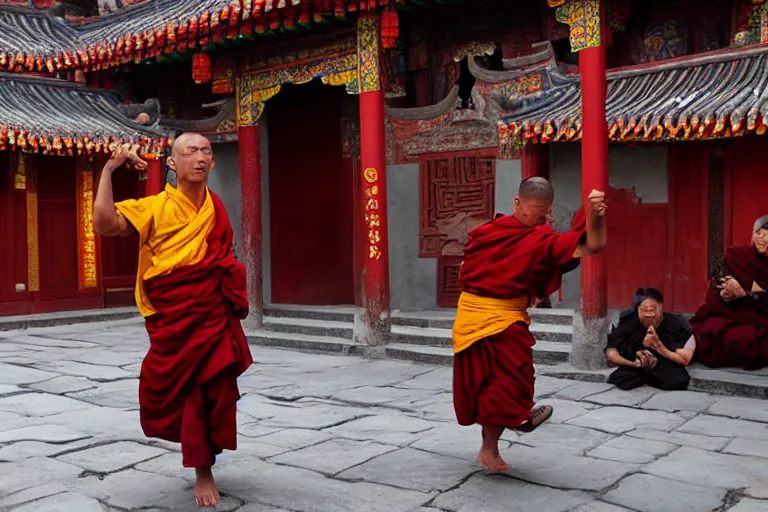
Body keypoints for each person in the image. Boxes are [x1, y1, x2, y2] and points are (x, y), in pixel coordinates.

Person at [93, 133, 253, 508]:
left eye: (205, 152)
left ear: (213, 162)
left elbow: (222, 256)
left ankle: (205, 464)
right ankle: (201, 467)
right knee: (185, 389)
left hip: (210, 310)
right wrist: (108, 169)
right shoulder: (154, 207)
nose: (199, 158)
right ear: (171, 163)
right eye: (189, 152)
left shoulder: (216, 208)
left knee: (213, 388)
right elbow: (104, 224)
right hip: (174, 313)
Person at [452, 177, 607, 473]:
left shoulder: (541, 240)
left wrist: (597, 214)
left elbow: (594, 244)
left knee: (511, 382)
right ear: (516, 203)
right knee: (486, 384)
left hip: (507, 318)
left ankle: (496, 439)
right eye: (532, 209)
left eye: (542, 211)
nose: (536, 216)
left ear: (549, 210)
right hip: (472, 316)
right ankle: (501, 434)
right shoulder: (491, 232)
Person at [690, 215, 768, 369]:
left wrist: (745, 292)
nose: (761, 238)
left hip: (761, 318)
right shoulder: (739, 256)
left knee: (752, 339)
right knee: (711, 328)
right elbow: (718, 280)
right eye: (758, 233)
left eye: (765, 234)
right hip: (733, 313)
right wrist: (724, 290)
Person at [605, 288, 694, 391]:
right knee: (622, 377)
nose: (648, 314)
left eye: (652, 310)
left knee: (679, 380)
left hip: (663, 361)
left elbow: (684, 359)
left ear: (660, 307)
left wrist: (657, 345)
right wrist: (635, 363)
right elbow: (611, 354)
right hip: (636, 363)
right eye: (644, 310)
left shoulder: (676, 323)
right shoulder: (628, 320)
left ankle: (647, 375)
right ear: (637, 309)